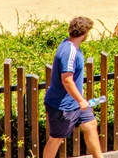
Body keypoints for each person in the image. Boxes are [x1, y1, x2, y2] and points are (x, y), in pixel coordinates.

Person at [42, 17, 104, 158]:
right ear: (85, 33)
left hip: (74, 102)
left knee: (90, 125)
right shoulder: (69, 52)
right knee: (56, 139)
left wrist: (79, 98)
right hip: (63, 106)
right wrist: (81, 100)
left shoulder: (69, 44)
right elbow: (67, 80)